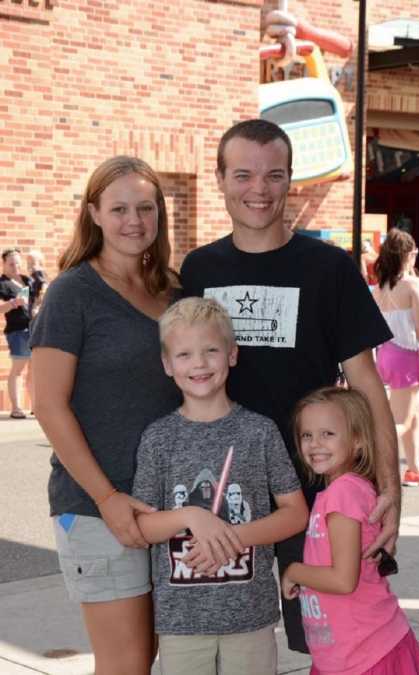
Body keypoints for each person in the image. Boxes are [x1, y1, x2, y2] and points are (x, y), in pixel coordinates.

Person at [180, 118, 401, 652]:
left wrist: (389, 486)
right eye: (243, 175)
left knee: (337, 641)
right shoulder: (198, 268)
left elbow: (366, 380)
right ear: (220, 179)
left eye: (274, 175)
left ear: (290, 180)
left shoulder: (329, 268)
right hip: (224, 492)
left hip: (319, 490)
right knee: (232, 646)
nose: (259, 190)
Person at [30, 156, 181, 675]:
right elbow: (46, 403)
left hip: (169, 505)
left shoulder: (172, 290)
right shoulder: (73, 292)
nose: (133, 220)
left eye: (145, 207)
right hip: (98, 506)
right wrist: (108, 498)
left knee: (154, 653)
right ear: (93, 212)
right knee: (126, 663)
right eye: (119, 208)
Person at [132, 296, 308, 675]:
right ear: (167, 364)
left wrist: (234, 537)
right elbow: (143, 526)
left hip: (250, 614)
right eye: (184, 354)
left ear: (232, 354)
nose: (199, 363)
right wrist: (193, 516)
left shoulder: (259, 431)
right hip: (181, 621)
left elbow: (295, 514)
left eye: (211, 350)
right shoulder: (158, 438)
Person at [282, 386, 419, 675]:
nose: (315, 444)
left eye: (328, 434)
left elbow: (342, 579)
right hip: (347, 652)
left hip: (367, 654)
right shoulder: (340, 491)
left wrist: (293, 571)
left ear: (359, 440)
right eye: (307, 435)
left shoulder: (343, 493)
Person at [373, 229, 419, 487]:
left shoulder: (380, 286)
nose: (415, 256)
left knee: (416, 413)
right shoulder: (413, 284)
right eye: (413, 252)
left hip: (387, 353)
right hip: (406, 355)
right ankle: (374, 464)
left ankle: (414, 468)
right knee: (401, 420)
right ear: (406, 254)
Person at [0, 248, 34, 418]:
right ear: (4, 264)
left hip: (35, 329)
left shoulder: (27, 280)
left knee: (35, 370)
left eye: (18, 263)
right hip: (17, 331)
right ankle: (16, 408)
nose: (15, 267)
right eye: (11, 264)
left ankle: (35, 405)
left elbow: (37, 300)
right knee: (18, 369)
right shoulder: (2, 284)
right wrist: (14, 302)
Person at [27, 249, 48, 315]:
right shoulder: (34, 275)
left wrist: (37, 305)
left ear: (40, 263)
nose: (30, 266)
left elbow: (44, 287)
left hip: (37, 306)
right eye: (28, 263)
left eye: (33, 263)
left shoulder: (38, 272)